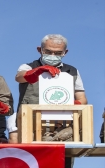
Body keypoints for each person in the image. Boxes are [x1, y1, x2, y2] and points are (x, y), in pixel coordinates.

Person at [15, 34, 87, 168]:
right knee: (33, 162)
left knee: (62, 163)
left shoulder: (72, 71)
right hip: (31, 126)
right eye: (48, 51)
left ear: (65, 52)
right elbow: (19, 77)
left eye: (58, 53)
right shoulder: (28, 66)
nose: (53, 55)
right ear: (39, 50)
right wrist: (37, 71)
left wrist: (68, 105)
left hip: (62, 128)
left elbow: (82, 99)